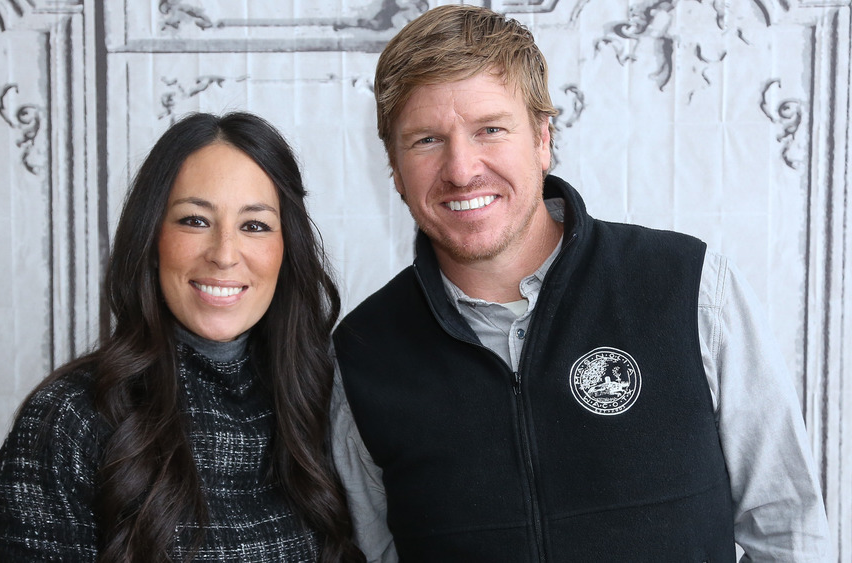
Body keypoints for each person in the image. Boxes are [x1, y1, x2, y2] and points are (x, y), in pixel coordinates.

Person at [330, 5, 831, 562]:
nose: (461, 168)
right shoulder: (363, 353)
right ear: (395, 170)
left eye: (490, 129)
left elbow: (788, 529)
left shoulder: (689, 288)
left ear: (543, 139)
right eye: (426, 140)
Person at [0, 112, 364, 562]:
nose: (224, 254)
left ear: (287, 249)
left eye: (255, 225)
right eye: (195, 220)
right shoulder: (68, 420)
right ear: (152, 239)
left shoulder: (328, 399)